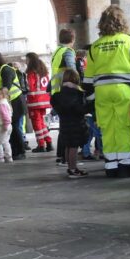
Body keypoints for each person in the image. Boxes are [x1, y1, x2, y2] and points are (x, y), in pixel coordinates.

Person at [85, 5, 130, 177]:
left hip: (102, 91)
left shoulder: (94, 46)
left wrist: (90, 100)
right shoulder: (129, 41)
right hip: (124, 90)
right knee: (125, 126)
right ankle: (126, 165)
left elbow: (88, 78)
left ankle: (111, 166)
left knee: (107, 127)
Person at [51, 69, 90, 178]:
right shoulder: (76, 94)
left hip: (64, 123)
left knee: (68, 146)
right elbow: (80, 109)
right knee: (74, 147)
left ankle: (70, 168)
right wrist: (87, 108)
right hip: (76, 123)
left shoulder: (59, 95)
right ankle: (73, 169)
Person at [0, 52, 27, 159]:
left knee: (15, 127)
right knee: (12, 128)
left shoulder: (6, 69)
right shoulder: (0, 70)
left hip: (16, 101)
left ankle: (20, 152)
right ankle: (14, 151)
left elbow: (6, 86)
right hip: (11, 101)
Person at [50, 29, 77, 164]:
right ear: (72, 39)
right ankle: (65, 158)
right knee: (69, 127)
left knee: (64, 126)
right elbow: (72, 70)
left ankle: (62, 156)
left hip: (57, 91)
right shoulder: (68, 52)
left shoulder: (56, 52)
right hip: (66, 92)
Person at [25, 52, 53, 152]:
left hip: (35, 100)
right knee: (41, 122)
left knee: (36, 123)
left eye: (27, 59)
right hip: (44, 100)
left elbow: (30, 86)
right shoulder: (43, 70)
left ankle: (41, 145)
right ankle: (49, 142)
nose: (26, 61)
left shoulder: (31, 72)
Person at [0, 89, 14, 163]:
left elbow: (5, 116)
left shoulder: (1, 104)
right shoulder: (6, 103)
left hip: (2, 126)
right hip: (8, 126)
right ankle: (9, 157)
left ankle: (0, 158)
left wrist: (5, 125)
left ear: (4, 95)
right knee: (6, 141)